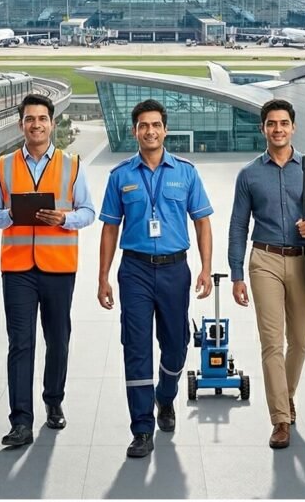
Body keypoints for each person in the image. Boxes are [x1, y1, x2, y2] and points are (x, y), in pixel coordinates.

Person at [98, 98, 213, 459]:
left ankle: (166, 395)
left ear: (165, 129)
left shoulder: (186, 172)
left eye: (156, 125)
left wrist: (205, 267)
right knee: (136, 348)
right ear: (135, 131)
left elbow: (202, 222)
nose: (150, 131)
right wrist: (103, 277)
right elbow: (109, 230)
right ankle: (142, 429)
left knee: (177, 345)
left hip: (175, 270)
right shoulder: (120, 176)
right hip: (134, 270)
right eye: (143, 126)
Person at [0, 93, 96, 448]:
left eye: (42, 118)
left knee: (58, 340)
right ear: (21, 125)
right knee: (21, 343)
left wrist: (64, 218)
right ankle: (20, 422)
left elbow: (89, 212)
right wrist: (10, 216)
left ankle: (53, 401)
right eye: (29, 119)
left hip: (58, 267)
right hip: (17, 268)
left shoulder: (71, 164)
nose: (36, 124)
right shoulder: (3, 166)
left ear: (51, 123)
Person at [227, 98, 305, 450]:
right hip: (264, 261)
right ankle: (280, 418)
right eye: (271, 124)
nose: (278, 129)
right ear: (263, 129)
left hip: (303, 260)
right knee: (272, 343)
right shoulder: (249, 174)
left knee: (301, 340)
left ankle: (285, 395)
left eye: (283, 123)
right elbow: (237, 226)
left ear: (293, 127)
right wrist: (236, 274)